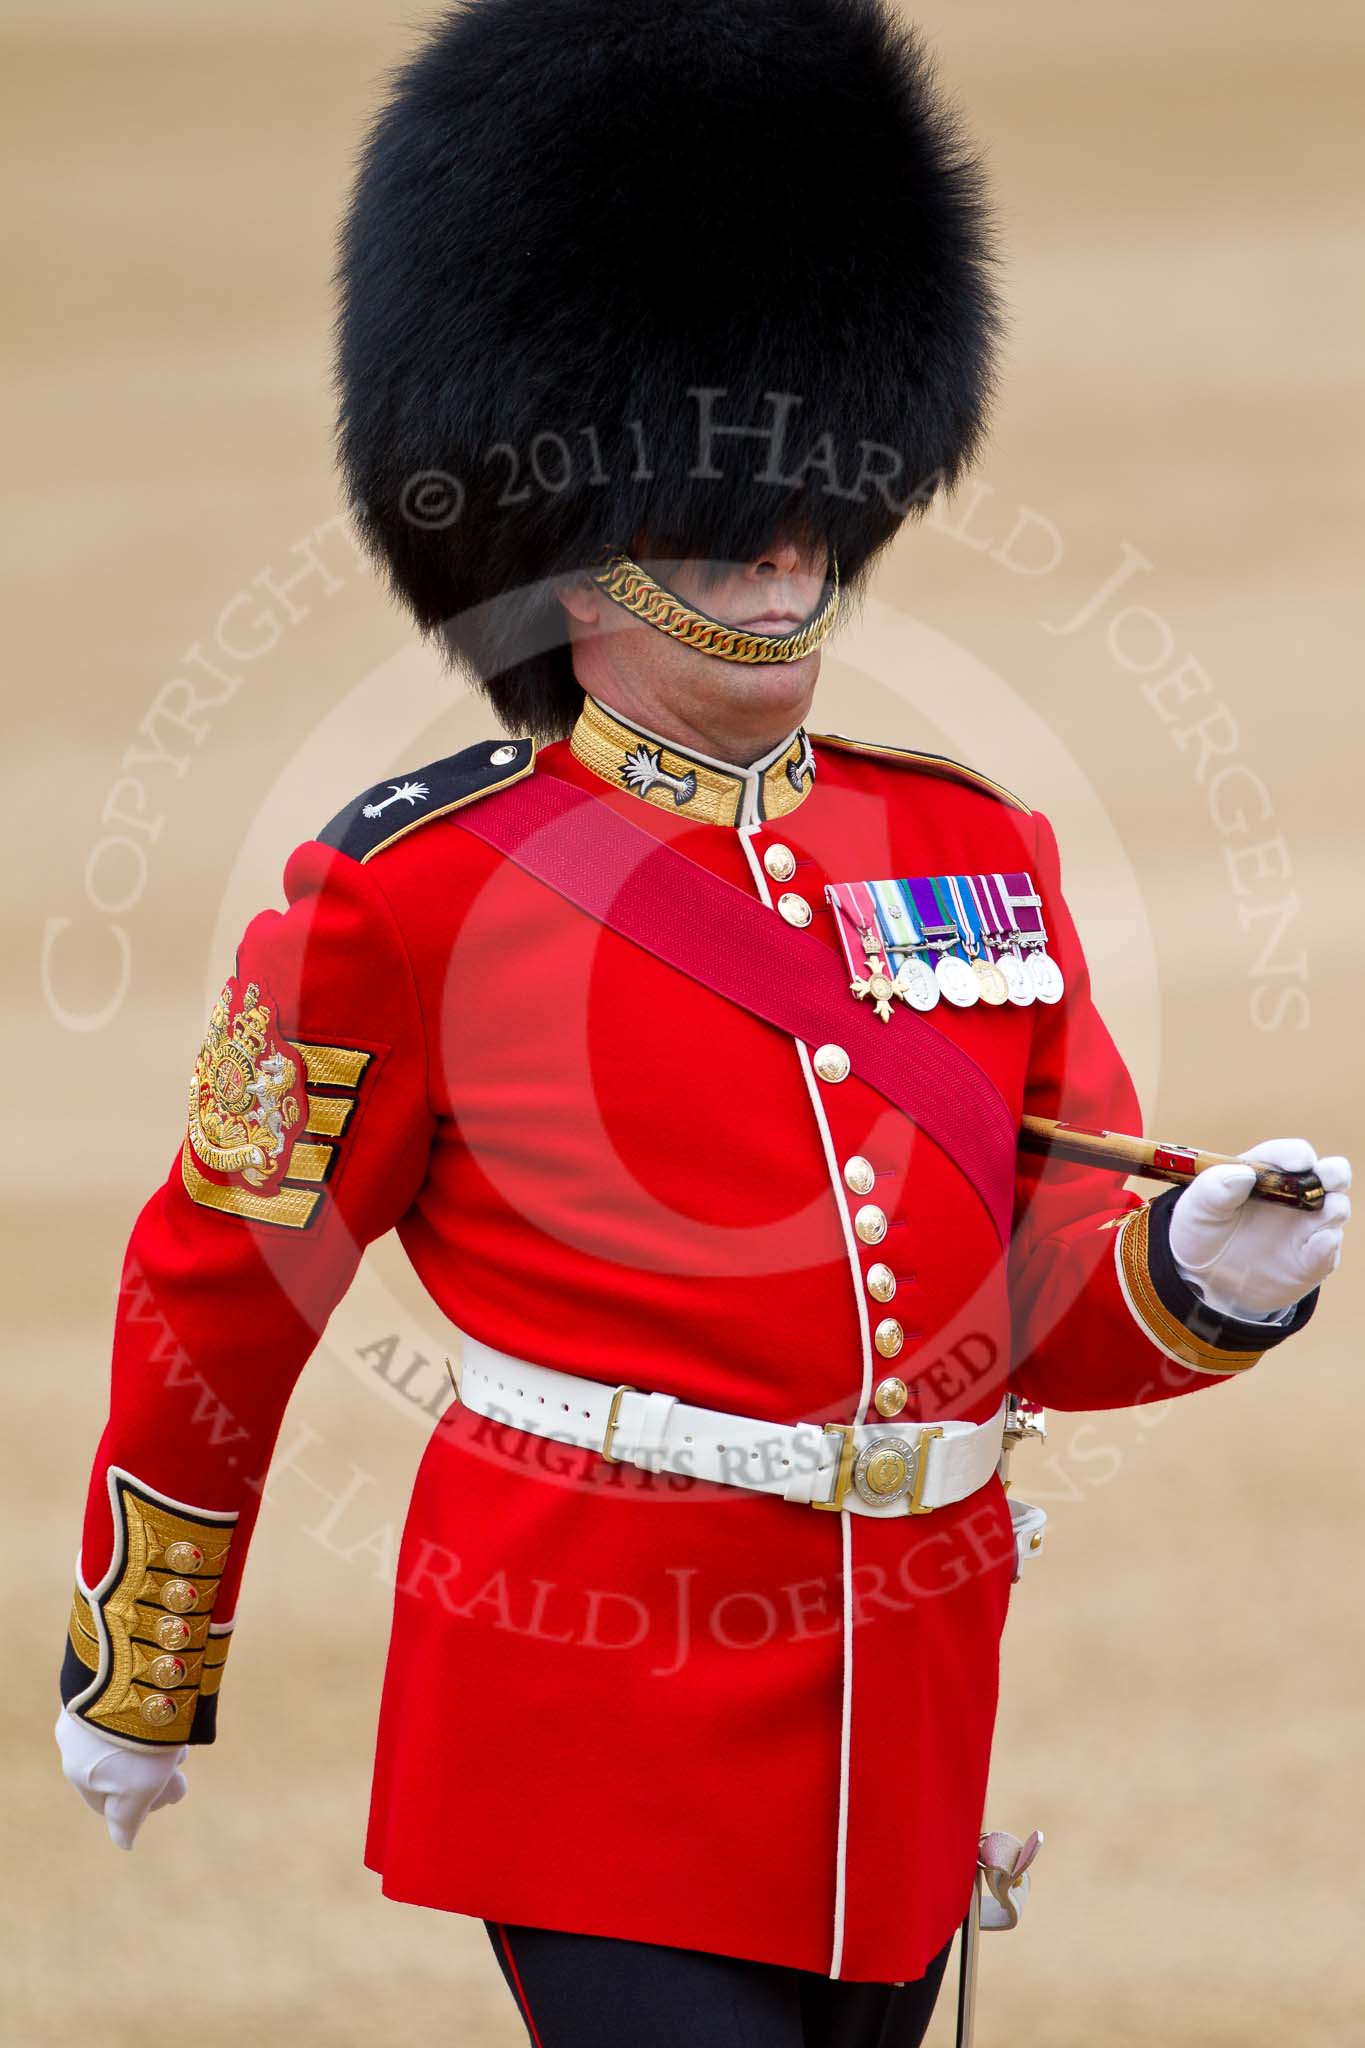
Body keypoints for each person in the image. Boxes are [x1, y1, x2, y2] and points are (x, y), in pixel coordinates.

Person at [54, 3, 1350, 2044]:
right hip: (585, 1716)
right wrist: (145, 1655)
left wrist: (1197, 1272)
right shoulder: (415, 891)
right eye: (702, 521)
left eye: (794, 513)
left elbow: (1017, 1294)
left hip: (894, 1715)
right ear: (568, 570)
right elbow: (219, 1288)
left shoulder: (969, 848)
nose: (770, 553)